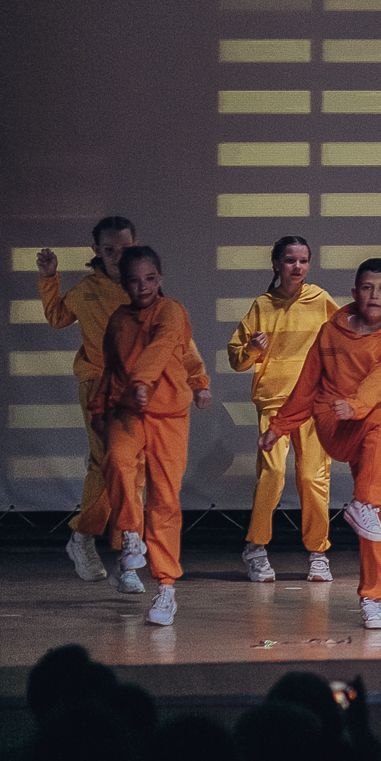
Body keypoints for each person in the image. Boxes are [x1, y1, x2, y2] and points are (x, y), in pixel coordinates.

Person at [262, 258, 381, 630]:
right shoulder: (330, 332)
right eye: (367, 288)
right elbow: (306, 384)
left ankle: (373, 599)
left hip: (370, 429)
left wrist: (357, 405)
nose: (374, 295)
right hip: (334, 423)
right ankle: (364, 504)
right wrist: (279, 426)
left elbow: (378, 385)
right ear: (355, 292)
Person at [91, 247, 213, 624]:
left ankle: (166, 588)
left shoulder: (171, 310)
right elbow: (111, 367)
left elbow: (171, 348)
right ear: (123, 283)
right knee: (116, 462)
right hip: (128, 409)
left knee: (163, 500)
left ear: (160, 278)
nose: (143, 286)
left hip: (168, 414)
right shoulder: (118, 319)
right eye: (134, 280)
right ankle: (130, 533)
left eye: (150, 278)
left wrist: (198, 383)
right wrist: (99, 407)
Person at [227, 235, 338, 584]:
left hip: (314, 402)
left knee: (312, 477)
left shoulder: (320, 300)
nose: (297, 267)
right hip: (275, 402)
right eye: (290, 260)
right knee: (272, 474)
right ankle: (256, 548)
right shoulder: (262, 305)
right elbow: (236, 359)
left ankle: (318, 553)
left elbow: (347, 337)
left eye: (303, 260)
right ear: (276, 264)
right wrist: (253, 349)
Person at [35, 216, 137, 581]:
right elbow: (57, 317)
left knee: (131, 466)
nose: (116, 256)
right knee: (106, 461)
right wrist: (50, 277)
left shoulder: (142, 285)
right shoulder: (87, 289)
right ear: (96, 250)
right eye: (109, 250)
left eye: (124, 248)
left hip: (137, 388)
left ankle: (124, 548)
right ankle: (85, 537)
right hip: (98, 384)